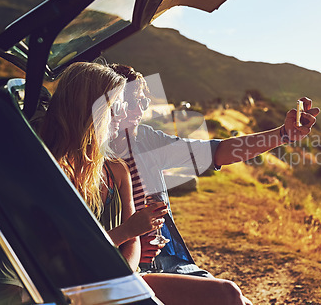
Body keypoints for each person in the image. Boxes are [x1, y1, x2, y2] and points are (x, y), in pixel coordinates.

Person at [38, 61, 252, 305]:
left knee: (233, 295)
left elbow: (215, 151)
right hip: (87, 285)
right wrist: (130, 232)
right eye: (117, 105)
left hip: (128, 275)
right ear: (88, 109)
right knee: (228, 295)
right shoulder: (52, 173)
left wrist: (128, 277)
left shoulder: (118, 167)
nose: (125, 113)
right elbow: (66, 256)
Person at [108, 64, 320, 276]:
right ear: (111, 104)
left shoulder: (146, 139)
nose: (138, 110)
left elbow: (217, 152)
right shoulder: (89, 158)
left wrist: (283, 134)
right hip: (119, 266)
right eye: (130, 101)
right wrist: (130, 251)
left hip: (165, 259)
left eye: (143, 102)